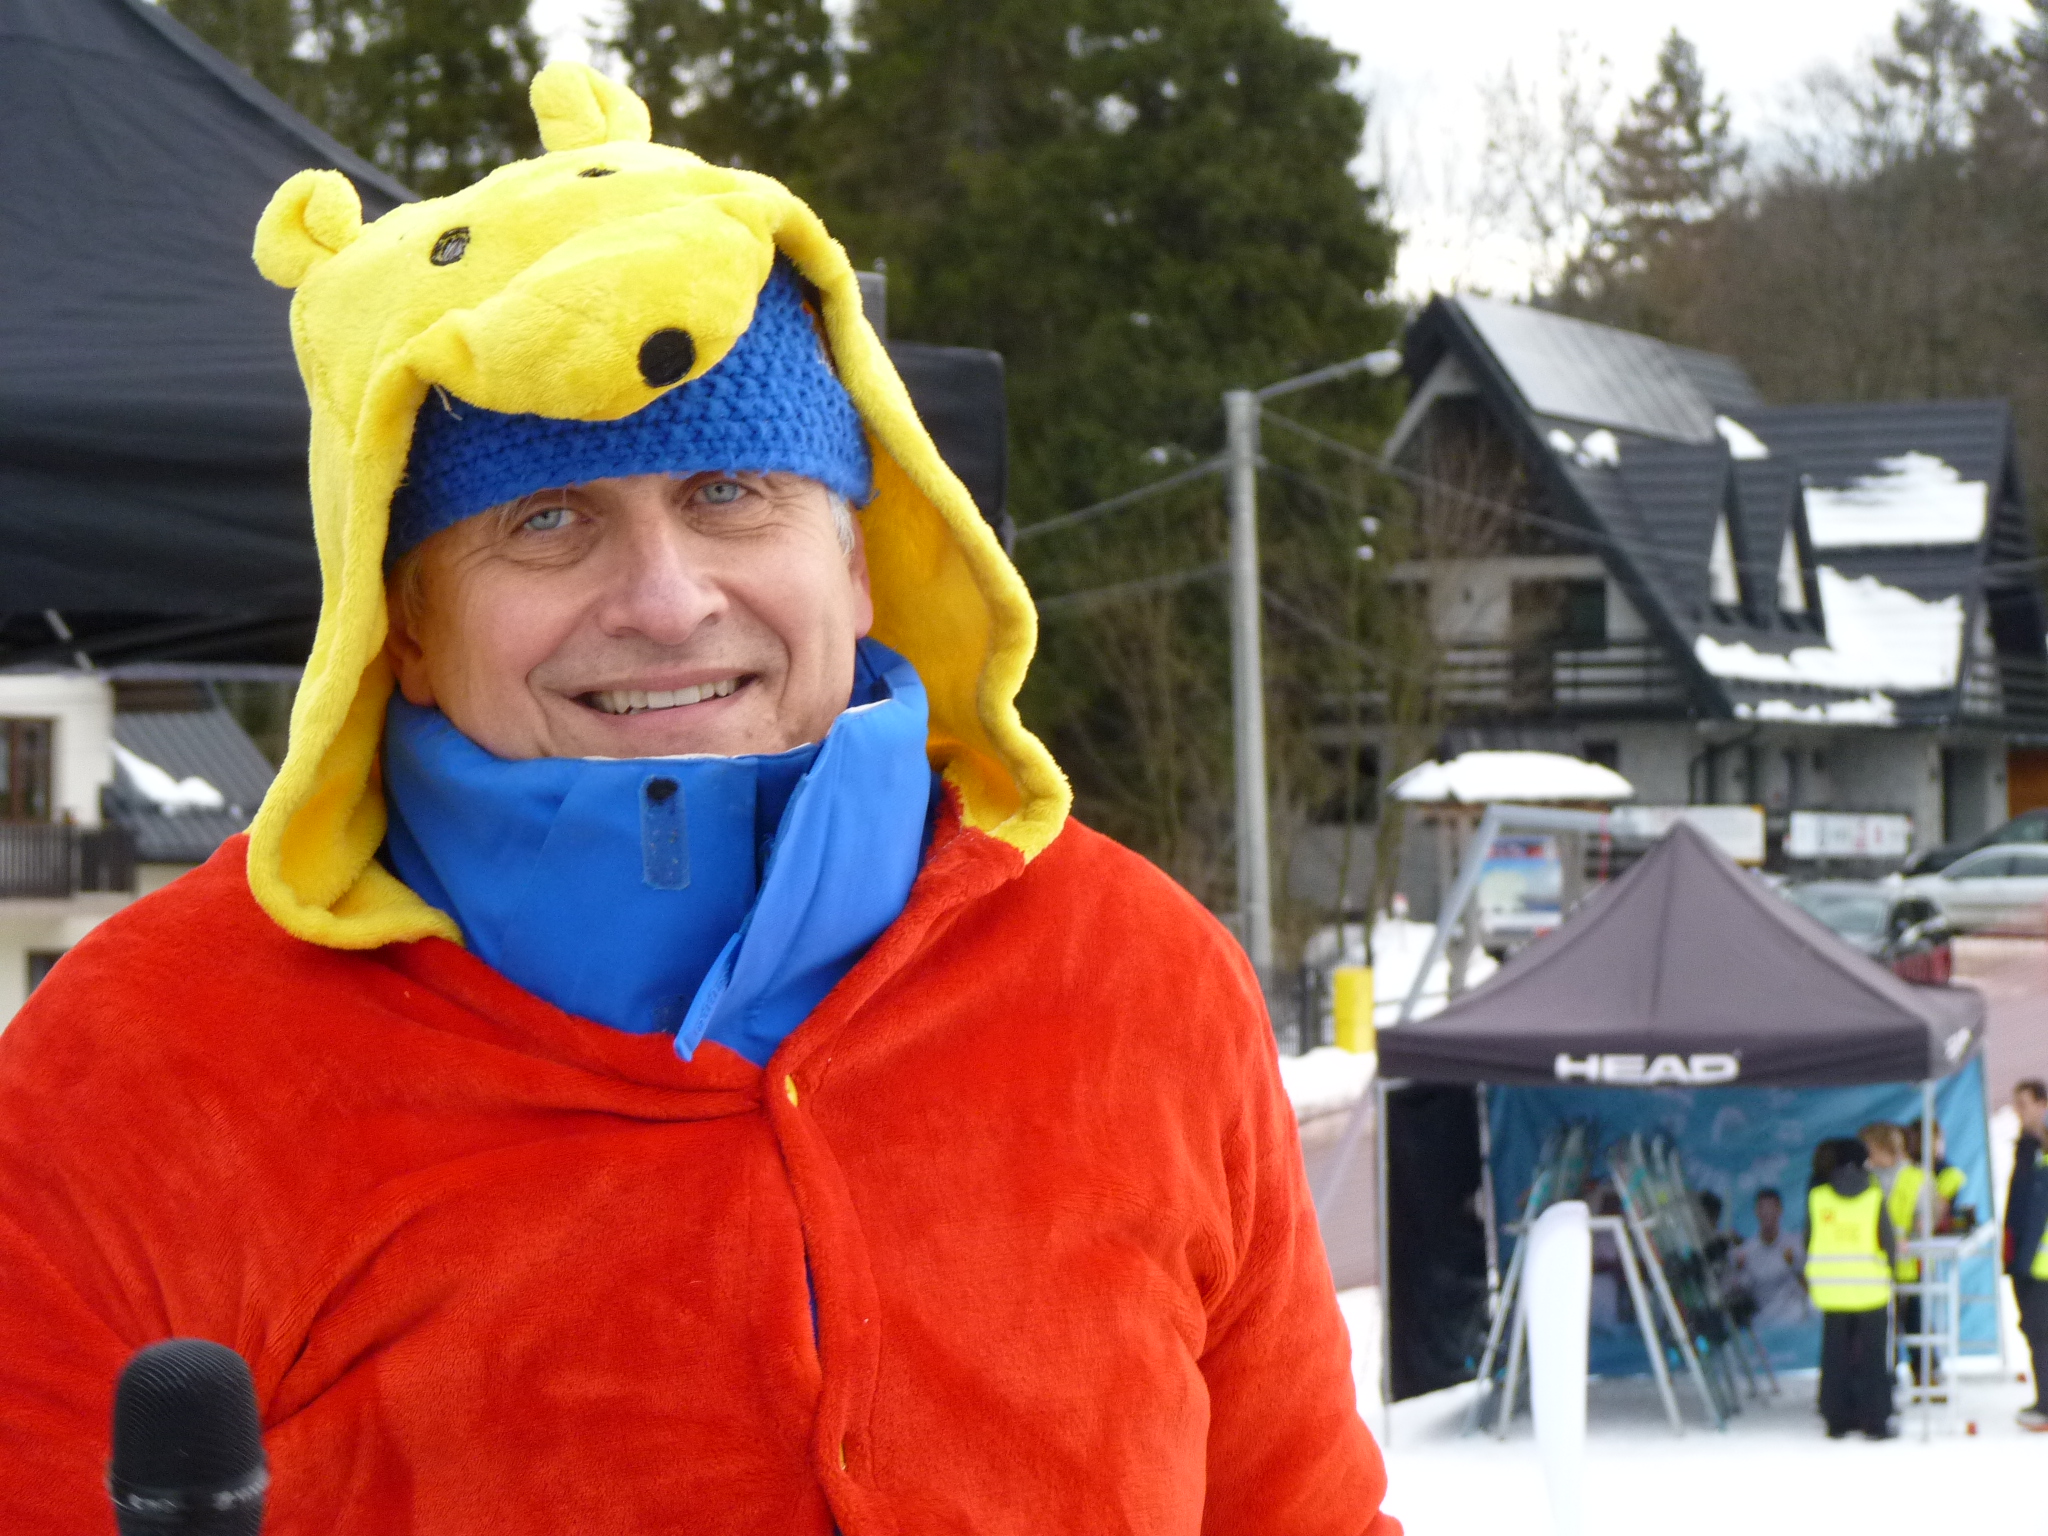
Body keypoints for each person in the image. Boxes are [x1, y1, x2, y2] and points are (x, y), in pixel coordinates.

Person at [0, 64, 1397, 1531]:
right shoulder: (142, 1069)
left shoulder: (1136, 981)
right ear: (398, 623)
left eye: (731, 491)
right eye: (548, 520)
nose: (666, 603)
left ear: (857, 559)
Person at [1807, 1139, 1899, 1439]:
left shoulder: (1818, 1197)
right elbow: (1887, 1240)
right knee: (1873, 1358)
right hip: (1870, 1288)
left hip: (1831, 1289)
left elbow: (1809, 1239)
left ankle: (1836, 1419)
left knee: (1835, 1356)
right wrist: (1891, 1272)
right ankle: (1876, 1421)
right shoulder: (1873, 1195)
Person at [1863, 1121, 1934, 1386]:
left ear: (1885, 1148)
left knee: (1915, 1323)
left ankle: (1926, 1376)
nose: (1867, 1155)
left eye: (1870, 1149)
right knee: (1881, 1329)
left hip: (1909, 1264)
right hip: (1875, 1267)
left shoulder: (1916, 1178)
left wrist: (1916, 1233)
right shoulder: (1865, 1178)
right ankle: (1885, 1379)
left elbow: (1926, 1220)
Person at [2006, 1080, 2048, 1432]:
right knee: (2036, 1332)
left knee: (2042, 1333)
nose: (2018, 1111)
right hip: (2026, 1261)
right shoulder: (2027, 1151)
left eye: (2024, 1103)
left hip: (2038, 1264)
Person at [1732, 1188, 1808, 1330]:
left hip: (1796, 1315)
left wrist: (1795, 1264)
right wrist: (1739, 1270)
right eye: (1763, 1208)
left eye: (1771, 1208)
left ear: (1780, 1210)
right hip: (1765, 1320)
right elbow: (1740, 1292)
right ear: (1756, 1212)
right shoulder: (1745, 1253)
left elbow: (1810, 1286)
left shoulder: (1796, 1243)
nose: (1767, 1213)